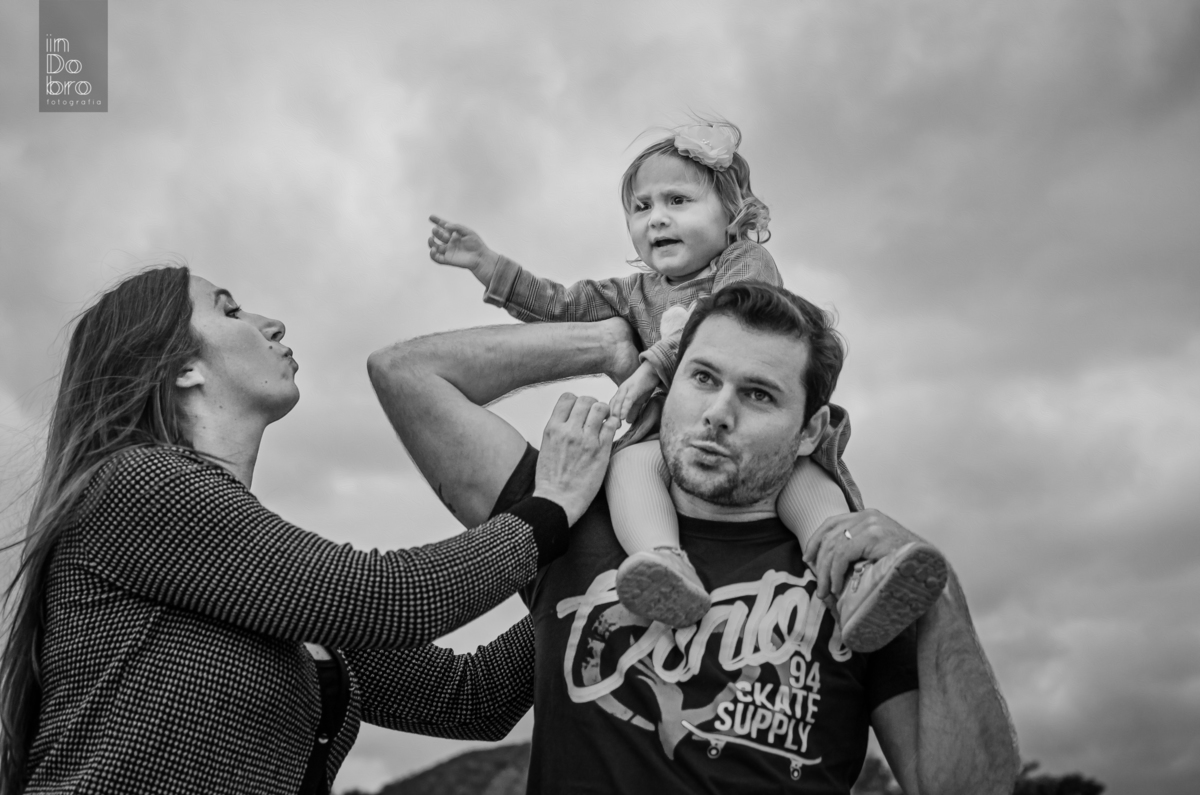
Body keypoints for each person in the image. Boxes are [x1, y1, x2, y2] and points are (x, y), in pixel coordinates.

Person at [368, 282, 1019, 793]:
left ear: (812, 431)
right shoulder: (571, 504)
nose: (717, 413)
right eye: (703, 378)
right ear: (671, 384)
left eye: (759, 394)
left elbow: (967, 787)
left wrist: (939, 591)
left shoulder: (860, 582)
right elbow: (406, 372)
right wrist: (609, 346)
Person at [0, 265, 619, 795]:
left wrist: (603, 574)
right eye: (231, 310)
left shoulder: (264, 583)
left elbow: (470, 698)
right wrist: (552, 508)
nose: (272, 323)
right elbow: (383, 596)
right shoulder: (135, 486)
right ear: (183, 367)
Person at [427, 120, 945, 651]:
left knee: (800, 477)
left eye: (678, 200)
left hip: (753, 430)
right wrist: (488, 266)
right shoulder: (633, 292)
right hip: (669, 435)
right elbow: (560, 304)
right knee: (632, 465)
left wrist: (652, 366)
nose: (659, 219)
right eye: (642, 207)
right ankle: (665, 567)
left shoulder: (745, 261)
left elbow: (724, 322)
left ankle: (853, 571)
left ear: (732, 215)